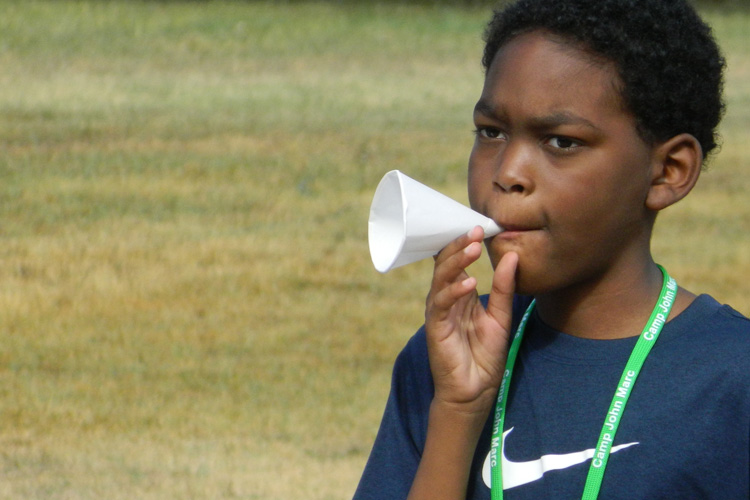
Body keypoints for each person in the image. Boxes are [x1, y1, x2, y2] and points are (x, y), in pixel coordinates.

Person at [354, 0, 750, 499]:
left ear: (668, 171)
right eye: (491, 132)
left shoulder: (733, 378)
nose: (508, 173)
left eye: (561, 142)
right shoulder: (445, 356)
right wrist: (457, 411)